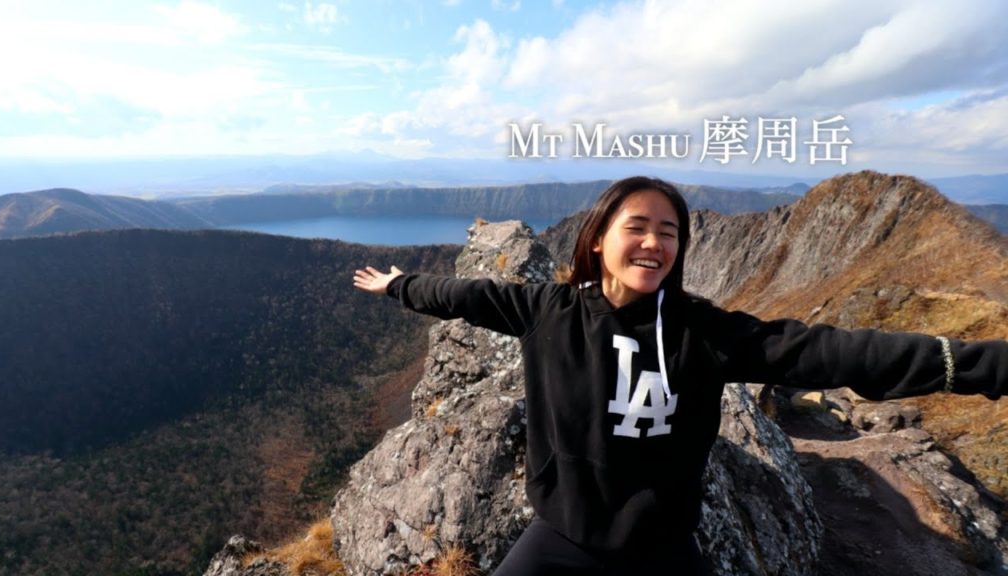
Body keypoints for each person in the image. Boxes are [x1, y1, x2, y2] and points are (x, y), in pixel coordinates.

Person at [353, 176, 1006, 576]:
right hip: (561, 538)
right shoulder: (548, 312)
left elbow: (834, 353)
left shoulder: (705, 333)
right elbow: (464, 295)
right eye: (636, 227)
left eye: (668, 233)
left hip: (662, 551)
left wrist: (981, 366)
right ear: (598, 239)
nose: (654, 242)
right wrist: (399, 284)